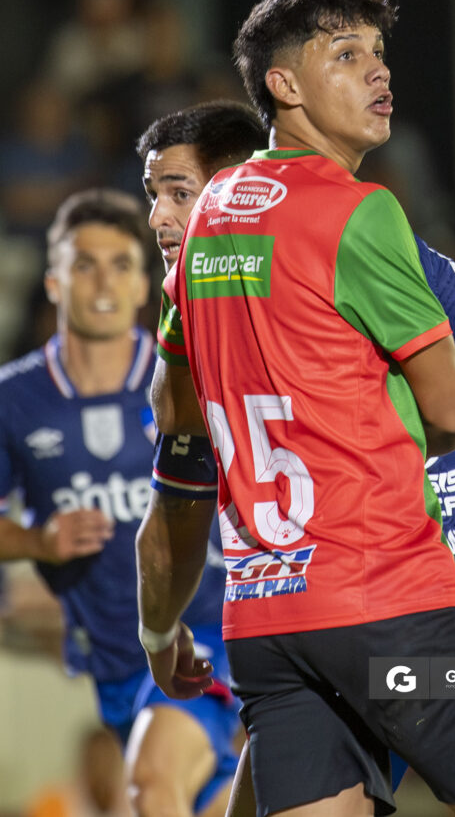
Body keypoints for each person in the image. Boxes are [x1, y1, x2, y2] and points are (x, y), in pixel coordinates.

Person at [139, 0, 455, 816]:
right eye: (347, 55)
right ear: (281, 87)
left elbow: (175, 414)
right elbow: (449, 411)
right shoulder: (362, 213)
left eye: (379, 55)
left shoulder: (208, 213)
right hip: (400, 606)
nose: (379, 74)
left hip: (266, 621)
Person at [0, 188, 237, 817]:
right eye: (84, 263)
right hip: (112, 663)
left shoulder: (190, 380)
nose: (103, 280)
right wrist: (36, 542)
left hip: (204, 644)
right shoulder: (13, 400)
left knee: (148, 789)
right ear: (53, 281)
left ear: (144, 285)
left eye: (121, 264)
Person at [128, 102, 268, 817]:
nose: (156, 218)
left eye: (178, 194)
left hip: (434, 617)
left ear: (240, 186)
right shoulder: (186, 312)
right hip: (280, 632)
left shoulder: (340, 253)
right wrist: (158, 633)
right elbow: (175, 503)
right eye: (154, 196)